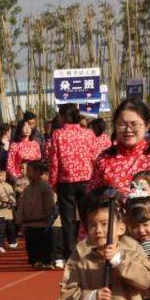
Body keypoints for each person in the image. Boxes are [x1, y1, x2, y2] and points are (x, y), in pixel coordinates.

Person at [89, 99, 150, 224]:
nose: (128, 129)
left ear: (146, 125)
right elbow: (91, 201)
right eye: (122, 124)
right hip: (116, 235)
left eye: (134, 124)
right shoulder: (104, 159)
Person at [46, 103, 96, 258]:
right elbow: (94, 157)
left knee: (68, 220)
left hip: (66, 181)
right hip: (86, 179)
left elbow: (54, 161)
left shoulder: (58, 134)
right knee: (88, 217)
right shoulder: (88, 133)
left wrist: (53, 182)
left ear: (63, 117)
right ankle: (91, 249)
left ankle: (71, 253)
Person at [16, 161, 56, 269]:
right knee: (32, 248)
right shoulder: (28, 189)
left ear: (38, 172)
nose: (27, 173)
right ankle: (36, 261)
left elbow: (50, 207)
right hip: (29, 225)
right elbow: (22, 205)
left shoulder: (46, 188)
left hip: (42, 224)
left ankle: (46, 262)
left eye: (29, 171)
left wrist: (46, 217)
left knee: (44, 246)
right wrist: (19, 219)